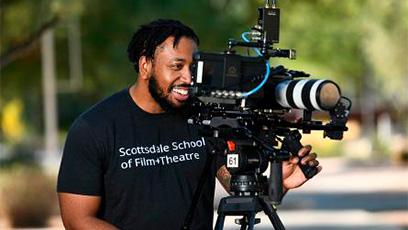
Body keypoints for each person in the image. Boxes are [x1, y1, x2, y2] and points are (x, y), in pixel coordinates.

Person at [57, 19, 321, 230]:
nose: (188, 77)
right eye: (177, 66)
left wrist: (279, 185)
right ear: (145, 66)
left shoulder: (208, 117)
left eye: (194, 67)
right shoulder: (94, 128)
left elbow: (235, 186)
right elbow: (77, 220)